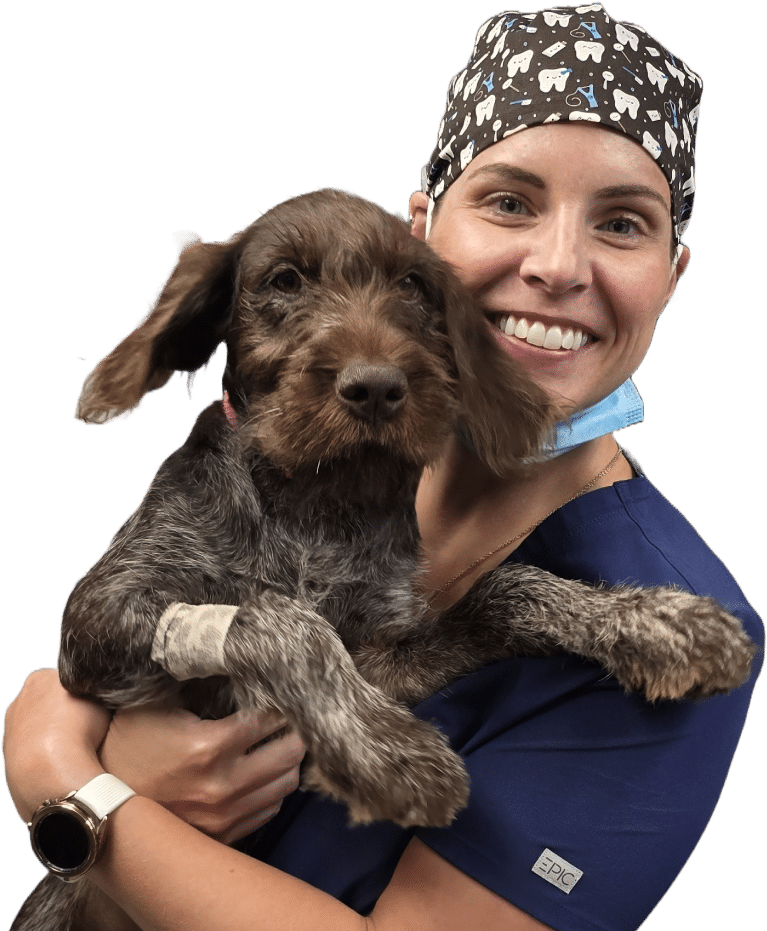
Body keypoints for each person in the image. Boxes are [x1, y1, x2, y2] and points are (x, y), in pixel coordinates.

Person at [4, 4, 764, 930]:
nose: (558, 266)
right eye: (509, 201)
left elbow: (82, 741)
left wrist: (71, 782)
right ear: (426, 228)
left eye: (622, 222)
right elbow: (111, 640)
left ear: (672, 274)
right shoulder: (328, 452)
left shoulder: (667, 595)